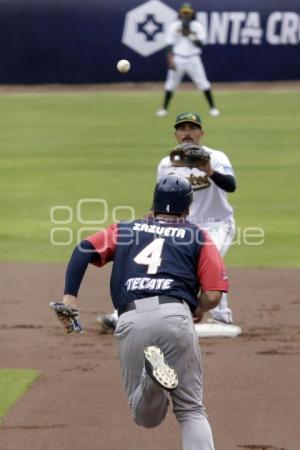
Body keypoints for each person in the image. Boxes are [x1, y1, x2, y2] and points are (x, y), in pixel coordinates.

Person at [50, 174, 228, 450]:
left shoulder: (125, 229)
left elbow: (83, 248)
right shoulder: (198, 235)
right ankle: (154, 376)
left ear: (154, 203)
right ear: (188, 208)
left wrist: (70, 300)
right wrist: (199, 308)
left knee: (145, 417)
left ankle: (151, 378)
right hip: (175, 316)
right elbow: (214, 295)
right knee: (191, 409)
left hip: (131, 319)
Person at [98, 111, 236, 333]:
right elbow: (162, 197)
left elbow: (231, 185)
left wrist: (208, 169)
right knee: (157, 263)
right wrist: (151, 214)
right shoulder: (167, 163)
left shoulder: (216, 157)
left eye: (192, 128)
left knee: (210, 259)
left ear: (201, 133)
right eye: (182, 128)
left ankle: (221, 316)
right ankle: (122, 313)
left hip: (217, 223)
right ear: (175, 134)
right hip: (180, 225)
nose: (187, 133)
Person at [156, 3, 220, 118]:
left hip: (193, 59)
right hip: (178, 58)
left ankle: (213, 108)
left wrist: (190, 34)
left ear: (192, 13)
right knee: (170, 84)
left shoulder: (197, 26)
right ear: (180, 12)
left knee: (204, 84)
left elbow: (201, 44)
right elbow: (169, 45)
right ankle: (164, 109)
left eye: (188, 12)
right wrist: (170, 60)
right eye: (184, 12)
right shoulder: (174, 26)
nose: (186, 14)